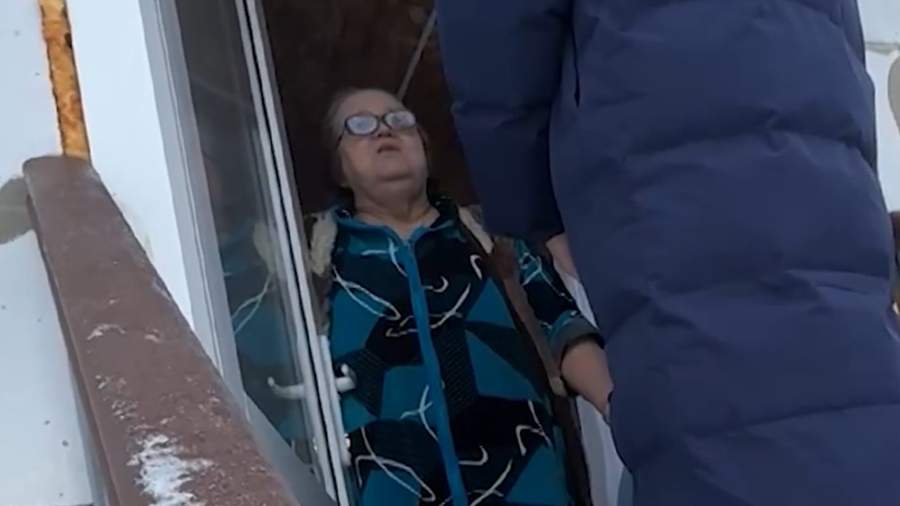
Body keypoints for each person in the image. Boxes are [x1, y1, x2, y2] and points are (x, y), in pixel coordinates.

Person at [435, 1, 900, 505]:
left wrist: (532, 209)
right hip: (823, 190)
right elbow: (847, 60)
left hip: (657, 166)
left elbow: (491, 30)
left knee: (723, 429)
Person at [305, 87, 613, 506]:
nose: (383, 132)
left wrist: (616, 408)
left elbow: (564, 328)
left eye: (399, 120)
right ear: (339, 167)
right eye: (359, 125)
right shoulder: (315, 266)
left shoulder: (495, 241)